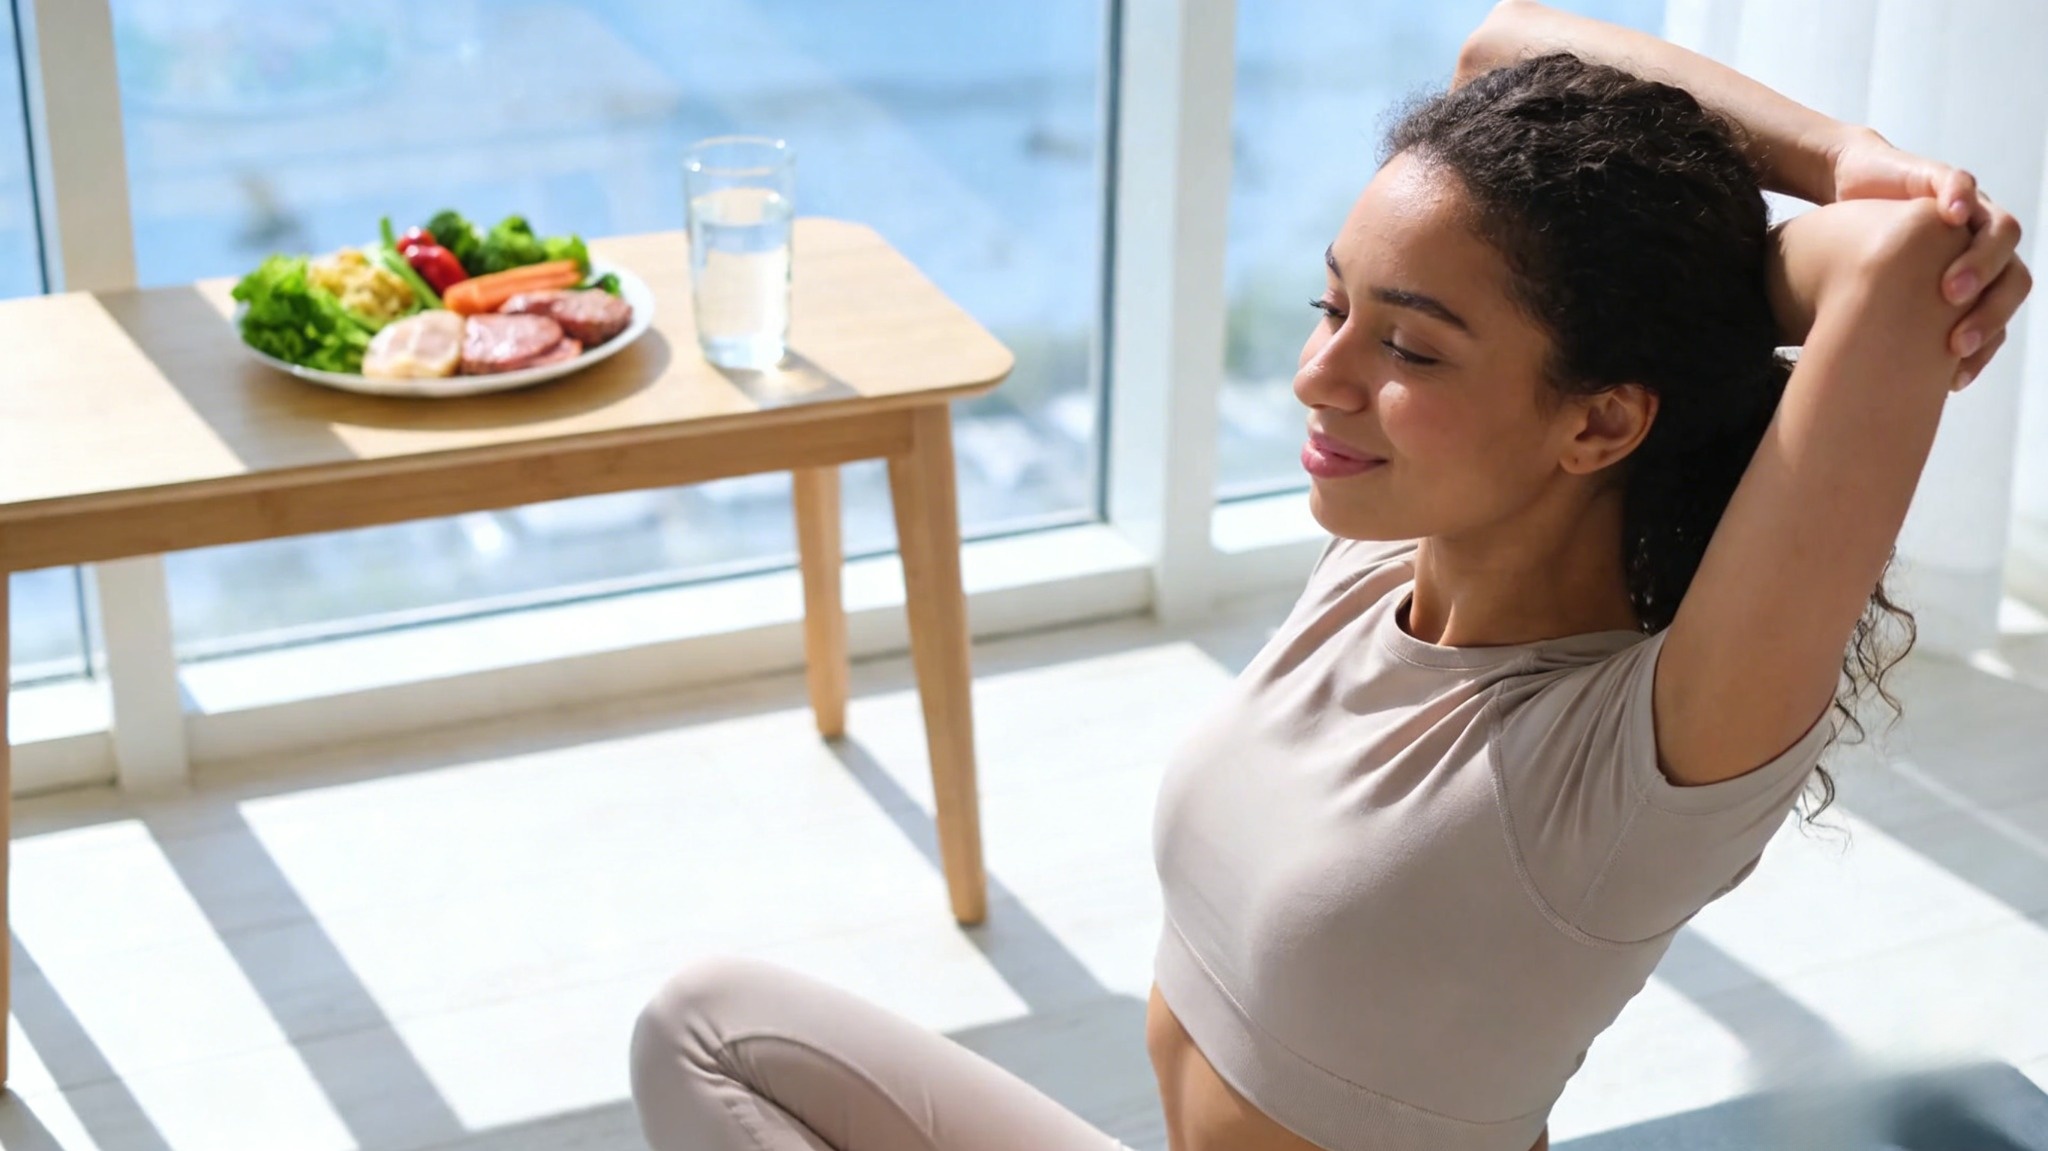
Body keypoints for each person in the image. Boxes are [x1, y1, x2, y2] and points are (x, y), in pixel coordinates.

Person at [625, 4, 2033, 1150]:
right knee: (708, 1023)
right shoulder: (1386, 562)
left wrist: (1715, 287)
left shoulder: (1640, 761)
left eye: (1407, 346)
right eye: (1333, 303)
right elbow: (1502, 51)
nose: (1319, 373)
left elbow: (1899, 260)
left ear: (1602, 420)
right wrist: (1837, 155)